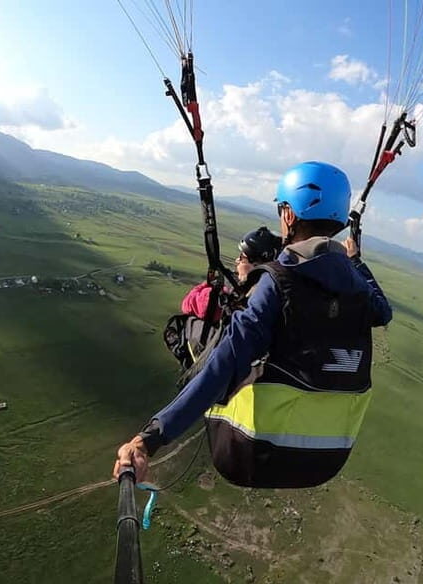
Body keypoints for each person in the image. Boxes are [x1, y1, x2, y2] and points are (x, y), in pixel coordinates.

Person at [115, 161, 393, 489]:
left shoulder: (278, 283)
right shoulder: (360, 292)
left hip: (251, 454)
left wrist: (149, 439)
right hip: (326, 459)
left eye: (282, 210)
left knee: (199, 331)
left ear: (289, 214)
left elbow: (227, 361)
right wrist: (355, 261)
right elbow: (383, 311)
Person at [163, 227, 281, 380]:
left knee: (185, 325)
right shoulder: (275, 295)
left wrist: (209, 289)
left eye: (242, 257)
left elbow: (189, 305)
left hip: (227, 368)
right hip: (252, 371)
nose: (237, 261)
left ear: (257, 265)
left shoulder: (245, 298)